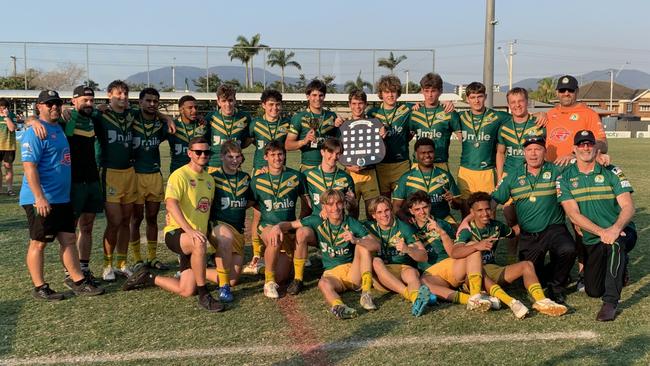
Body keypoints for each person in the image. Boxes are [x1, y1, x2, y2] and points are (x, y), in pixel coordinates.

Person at [123, 137, 224, 312]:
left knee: (185, 290)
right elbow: (171, 204)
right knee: (198, 243)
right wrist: (190, 230)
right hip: (177, 233)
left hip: (195, 238)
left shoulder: (209, 180)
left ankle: (149, 277)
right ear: (189, 153)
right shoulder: (180, 175)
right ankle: (204, 295)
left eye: (206, 152)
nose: (202, 155)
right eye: (198, 152)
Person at [20, 90, 104, 300]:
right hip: (41, 199)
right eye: (49, 104)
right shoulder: (35, 131)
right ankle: (40, 287)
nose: (54, 107)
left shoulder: (58, 127)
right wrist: (39, 197)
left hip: (62, 198)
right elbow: (29, 167)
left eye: (56, 103)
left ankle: (78, 281)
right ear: (39, 106)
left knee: (68, 239)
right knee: (38, 243)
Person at [557, 130, 636, 321]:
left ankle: (610, 302)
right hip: (594, 237)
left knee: (616, 244)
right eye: (581, 145)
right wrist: (602, 232)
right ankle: (619, 267)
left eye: (589, 144)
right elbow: (573, 215)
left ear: (595, 147)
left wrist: (615, 229)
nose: (586, 148)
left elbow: (628, 206)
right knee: (593, 290)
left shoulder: (612, 171)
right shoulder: (564, 178)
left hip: (621, 231)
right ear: (574, 149)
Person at [452, 192, 567, 318]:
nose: (485, 214)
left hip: (493, 270)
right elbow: (455, 252)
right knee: (482, 274)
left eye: (487, 209)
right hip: (473, 276)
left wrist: (534, 219)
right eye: (479, 210)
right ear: (472, 212)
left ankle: (541, 301)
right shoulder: (466, 230)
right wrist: (476, 246)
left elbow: (513, 232)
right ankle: (496, 299)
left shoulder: (496, 226)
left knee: (527, 265)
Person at [269, 189, 379, 319]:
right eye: (330, 204)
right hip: (332, 274)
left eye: (338, 203)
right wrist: (277, 227)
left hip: (352, 271)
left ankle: (366, 293)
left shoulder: (351, 223)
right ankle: (339, 307)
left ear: (344, 204)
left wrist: (356, 240)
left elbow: (376, 245)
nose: (335, 208)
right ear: (323, 207)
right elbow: (291, 225)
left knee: (363, 246)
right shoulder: (317, 220)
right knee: (322, 283)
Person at [492, 136, 576, 304]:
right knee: (528, 277)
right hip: (528, 233)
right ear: (524, 153)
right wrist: (473, 218)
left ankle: (557, 286)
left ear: (545, 152)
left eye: (537, 149)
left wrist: (598, 157)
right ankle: (554, 274)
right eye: (529, 150)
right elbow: (494, 199)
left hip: (554, 228)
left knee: (568, 249)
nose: (533, 153)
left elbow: (582, 168)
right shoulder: (513, 176)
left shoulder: (556, 170)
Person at [403, 191, 487, 310]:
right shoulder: (408, 229)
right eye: (417, 209)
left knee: (473, 247)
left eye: (425, 207)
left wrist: (441, 232)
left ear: (430, 206)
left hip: (452, 266)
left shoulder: (442, 224)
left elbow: (453, 252)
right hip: (432, 274)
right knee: (422, 284)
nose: (422, 212)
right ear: (411, 211)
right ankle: (471, 300)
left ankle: (476, 294)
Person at [250, 140, 308, 298]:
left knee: (282, 277)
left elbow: (306, 205)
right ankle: (268, 283)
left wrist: (297, 224)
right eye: (273, 155)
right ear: (266, 157)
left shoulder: (296, 176)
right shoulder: (256, 181)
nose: (277, 158)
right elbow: (252, 208)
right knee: (275, 235)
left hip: (288, 229)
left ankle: (264, 266)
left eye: (280, 154)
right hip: (267, 227)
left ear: (285, 155)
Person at [495, 87, 546, 264]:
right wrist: (500, 177)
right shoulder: (505, 127)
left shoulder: (538, 124)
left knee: (532, 219)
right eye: (513, 102)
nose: (517, 105)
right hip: (510, 178)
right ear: (508, 105)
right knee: (511, 219)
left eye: (520, 101)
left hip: (533, 178)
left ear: (527, 102)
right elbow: (500, 153)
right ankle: (511, 259)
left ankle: (532, 257)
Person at [243, 89, 291, 275]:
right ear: (263, 105)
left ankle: (286, 249)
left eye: (277, 104)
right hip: (260, 172)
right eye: (270, 104)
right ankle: (256, 254)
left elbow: (292, 142)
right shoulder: (255, 124)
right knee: (258, 215)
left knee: (282, 210)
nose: (274, 108)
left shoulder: (286, 124)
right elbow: (244, 142)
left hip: (280, 172)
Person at [95, 80, 140, 280]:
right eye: (118, 93)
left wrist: (167, 117)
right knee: (113, 221)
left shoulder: (132, 115)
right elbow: (78, 114)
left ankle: (122, 263)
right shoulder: (101, 115)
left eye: (125, 94)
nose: (122, 97)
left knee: (126, 221)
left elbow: (153, 112)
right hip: (110, 173)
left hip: (129, 172)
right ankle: (107, 265)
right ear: (109, 94)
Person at [60, 86, 104, 281]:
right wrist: (32, 120)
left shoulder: (94, 118)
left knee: (87, 226)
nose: (88, 103)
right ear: (73, 100)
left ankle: (84, 268)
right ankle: (70, 271)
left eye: (91, 100)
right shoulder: (66, 119)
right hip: (74, 181)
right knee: (70, 228)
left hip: (92, 179)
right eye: (84, 100)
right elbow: (37, 119)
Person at [364, 196, 432, 317]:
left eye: (386, 210)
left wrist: (408, 249)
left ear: (391, 210)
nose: (384, 215)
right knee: (376, 261)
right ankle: (409, 294)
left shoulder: (404, 228)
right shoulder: (368, 228)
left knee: (411, 273)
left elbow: (423, 256)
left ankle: (417, 301)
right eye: (379, 212)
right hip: (382, 277)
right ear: (373, 215)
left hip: (403, 269)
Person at [207, 141, 254, 302]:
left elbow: (251, 201)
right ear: (221, 157)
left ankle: (195, 269)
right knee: (225, 238)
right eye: (230, 157)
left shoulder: (245, 178)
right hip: (218, 226)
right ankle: (223, 288)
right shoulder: (212, 178)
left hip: (238, 230)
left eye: (238, 156)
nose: (234, 160)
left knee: (234, 279)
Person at [128, 88, 169, 271]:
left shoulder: (161, 124)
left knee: (152, 217)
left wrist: (167, 118)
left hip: (154, 174)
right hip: (136, 174)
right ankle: (137, 259)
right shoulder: (132, 118)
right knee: (136, 219)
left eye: (155, 101)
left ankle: (152, 257)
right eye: (148, 101)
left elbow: (169, 125)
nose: (152, 104)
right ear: (140, 102)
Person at [456, 82, 511, 216]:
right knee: (466, 212)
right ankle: (468, 237)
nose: (476, 100)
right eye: (473, 97)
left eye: (480, 96)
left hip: (486, 172)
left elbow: (519, 117)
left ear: (485, 96)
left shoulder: (497, 116)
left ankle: (490, 237)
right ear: (467, 98)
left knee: (488, 212)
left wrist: (540, 114)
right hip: (466, 171)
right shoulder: (460, 117)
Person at [392, 137, 460, 225]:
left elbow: (458, 205)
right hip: (417, 222)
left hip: (442, 220)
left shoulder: (445, 175)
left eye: (430, 152)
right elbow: (396, 206)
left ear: (434, 152)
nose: (427, 156)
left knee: (455, 233)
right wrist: (407, 219)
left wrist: (453, 200)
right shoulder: (406, 178)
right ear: (416, 154)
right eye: (423, 153)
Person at [545, 75, 608, 166]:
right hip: (551, 169)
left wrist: (575, 154)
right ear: (557, 92)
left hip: (576, 170)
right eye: (562, 90)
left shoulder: (589, 114)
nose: (566, 93)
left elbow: (603, 144)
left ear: (577, 91)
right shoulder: (549, 114)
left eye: (570, 90)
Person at [367, 75, 412, 197]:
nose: (390, 95)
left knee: (401, 202)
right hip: (381, 164)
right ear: (381, 94)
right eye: (386, 92)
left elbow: (427, 107)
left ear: (398, 93)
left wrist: (446, 102)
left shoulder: (407, 109)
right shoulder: (372, 113)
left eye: (393, 91)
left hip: (401, 163)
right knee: (384, 202)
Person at [408, 73, 461, 172]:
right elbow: (406, 139)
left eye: (433, 91)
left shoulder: (449, 113)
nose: (430, 95)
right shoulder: (415, 113)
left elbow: (463, 140)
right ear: (422, 91)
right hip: (418, 165)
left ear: (440, 91)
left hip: (440, 164)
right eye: (426, 91)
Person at [341, 89, 382, 219]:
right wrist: (348, 166)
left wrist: (382, 133)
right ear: (349, 105)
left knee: (373, 213)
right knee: (352, 213)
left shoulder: (374, 124)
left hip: (369, 173)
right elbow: (338, 151)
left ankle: (373, 239)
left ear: (365, 104)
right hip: (350, 174)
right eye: (354, 103)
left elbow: (380, 149)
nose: (357, 107)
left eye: (360, 103)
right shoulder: (343, 125)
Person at [285, 79, 339, 172]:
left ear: (324, 96)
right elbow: (287, 145)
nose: (317, 98)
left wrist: (340, 125)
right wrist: (304, 141)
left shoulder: (332, 116)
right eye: (314, 95)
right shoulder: (298, 117)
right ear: (307, 96)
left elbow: (338, 142)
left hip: (328, 168)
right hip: (308, 169)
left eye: (320, 95)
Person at [205, 84, 252, 173]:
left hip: (235, 166)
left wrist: (237, 147)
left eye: (230, 100)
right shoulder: (211, 117)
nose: (228, 104)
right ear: (218, 102)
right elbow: (205, 140)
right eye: (224, 101)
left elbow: (248, 139)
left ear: (235, 100)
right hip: (214, 166)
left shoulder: (245, 117)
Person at [168, 95, 208, 174]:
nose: (194, 110)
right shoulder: (172, 126)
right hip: (177, 172)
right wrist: (167, 119)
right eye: (190, 108)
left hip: (198, 173)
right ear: (181, 110)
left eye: (196, 107)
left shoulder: (203, 125)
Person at [0, 98, 17, 196]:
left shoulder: (11, 115)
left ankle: (9, 189)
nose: (1, 109)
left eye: (3, 107)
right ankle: (0, 189)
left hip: (8, 146)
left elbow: (12, 128)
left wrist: (6, 117)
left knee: (8, 167)